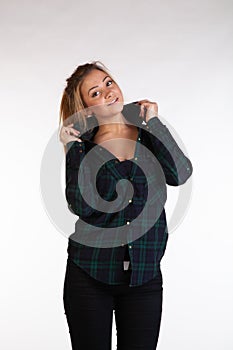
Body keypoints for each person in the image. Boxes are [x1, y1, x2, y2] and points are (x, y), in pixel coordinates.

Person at [59, 61, 193, 350]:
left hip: (144, 278)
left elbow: (180, 174)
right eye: (94, 93)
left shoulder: (148, 134)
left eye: (108, 82)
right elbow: (80, 204)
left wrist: (154, 121)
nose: (107, 92)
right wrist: (73, 149)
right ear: (87, 109)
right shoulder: (85, 147)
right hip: (89, 275)